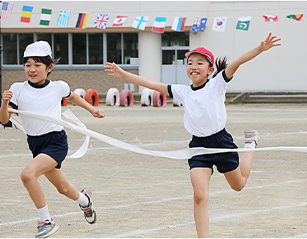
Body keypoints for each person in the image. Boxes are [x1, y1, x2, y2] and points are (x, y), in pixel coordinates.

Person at [104, 32, 281, 237]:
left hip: (221, 142)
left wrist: (260, 48)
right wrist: (124, 74)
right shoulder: (183, 91)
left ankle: (250, 145)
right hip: (198, 147)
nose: (194, 66)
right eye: (190, 63)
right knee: (199, 196)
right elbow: (152, 84)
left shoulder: (217, 84)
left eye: (200, 63)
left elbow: (237, 62)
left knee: (238, 185)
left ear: (210, 69)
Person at [0, 41, 105, 238]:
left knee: (27, 175)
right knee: (63, 188)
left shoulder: (58, 87)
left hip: (56, 142)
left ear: (49, 68)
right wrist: (5, 103)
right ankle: (85, 200)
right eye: (27, 64)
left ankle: (46, 220)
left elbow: (73, 97)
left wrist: (92, 110)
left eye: (37, 65)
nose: (31, 69)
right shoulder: (17, 88)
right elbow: (4, 119)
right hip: (36, 144)